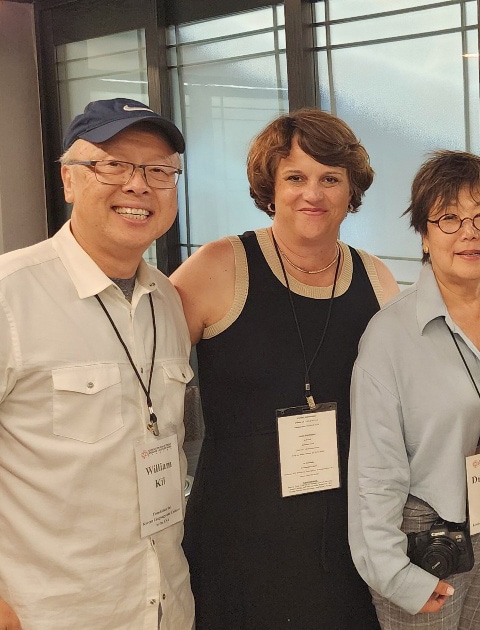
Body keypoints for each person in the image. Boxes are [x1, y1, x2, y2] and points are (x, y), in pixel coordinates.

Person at [171, 109, 397, 629]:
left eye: (330, 179)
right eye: (295, 177)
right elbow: (144, 377)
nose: (312, 194)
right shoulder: (218, 266)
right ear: (270, 187)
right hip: (238, 532)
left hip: (345, 533)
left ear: (350, 192)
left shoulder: (377, 279)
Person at [0, 98, 194, 629]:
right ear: (68, 180)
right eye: (112, 164)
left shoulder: (168, 300)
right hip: (54, 613)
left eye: (159, 171)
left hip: (165, 604)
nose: (138, 185)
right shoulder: (10, 294)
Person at [349, 150, 480, 629]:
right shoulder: (390, 334)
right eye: (448, 218)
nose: (469, 232)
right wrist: (393, 573)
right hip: (421, 534)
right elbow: (375, 469)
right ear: (424, 234)